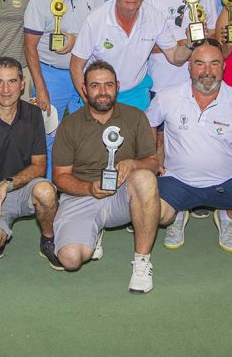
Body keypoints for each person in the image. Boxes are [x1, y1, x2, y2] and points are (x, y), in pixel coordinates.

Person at [146, 39, 232, 251]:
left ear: (224, 67)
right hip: (177, 179)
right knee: (154, 213)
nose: (207, 70)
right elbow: (149, 124)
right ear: (189, 67)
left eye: (214, 63)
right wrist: (153, 159)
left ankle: (228, 215)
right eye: (200, 63)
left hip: (225, 180)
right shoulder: (167, 96)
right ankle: (177, 212)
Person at [53, 61, 160, 293]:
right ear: (84, 89)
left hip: (122, 196)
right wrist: (89, 188)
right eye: (95, 86)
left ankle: (142, 262)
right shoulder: (70, 124)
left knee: (145, 179)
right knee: (70, 259)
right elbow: (60, 177)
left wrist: (133, 164)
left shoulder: (136, 117)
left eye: (108, 85)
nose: (102, 92)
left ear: (117, 86)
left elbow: (153, 163)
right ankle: (93, 232)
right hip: (81, 195)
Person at [0, 57, 61, 269]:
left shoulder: (33, 114)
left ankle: (48, 240)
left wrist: (6, 184)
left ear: (22, 84)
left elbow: (40, 166)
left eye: (12, 81)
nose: (6, 89)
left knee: (46, 190)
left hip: (23, 189)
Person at [23, 0, 105, 177]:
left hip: (85, 72)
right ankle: (49, 190)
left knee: (91, 129)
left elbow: (101, 30)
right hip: (52, 75)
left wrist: (76, 39)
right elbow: (30, 47)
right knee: (48, 134)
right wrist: (41, 88)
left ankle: (86, 185)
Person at [70, 0, 194, 111]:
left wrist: (189, 44)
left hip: (135, 92)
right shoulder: (95, 20)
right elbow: (76, 66)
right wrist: (88, 100)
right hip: (100, 93)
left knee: (141, 133)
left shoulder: (155, 17)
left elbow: (175, 57)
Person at [145, 0, 218, 96]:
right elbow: (145, 42)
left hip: (196, 85)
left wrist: (195, 45)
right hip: (161, 83)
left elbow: (213, 37)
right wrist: (178, 46)